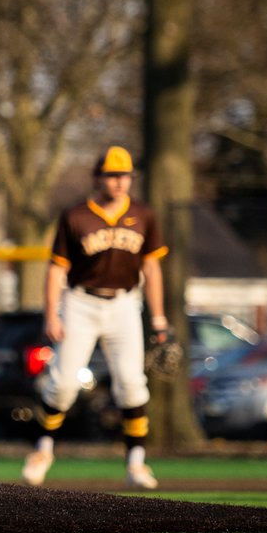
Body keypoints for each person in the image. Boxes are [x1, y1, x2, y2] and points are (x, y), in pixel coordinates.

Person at [21, 145, 168, 490]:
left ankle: (136, 463)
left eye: (125, 176)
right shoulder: (76, 216)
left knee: (132, 384)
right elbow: (57, 269)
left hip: (124, 304)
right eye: (112, 175)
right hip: (80, 303)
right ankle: (42, 452)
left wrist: (159, 318)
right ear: (97, 178)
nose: (118, 182)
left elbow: (152, 267)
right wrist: (51, 316)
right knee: (63, 385)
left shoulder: (144, 215)